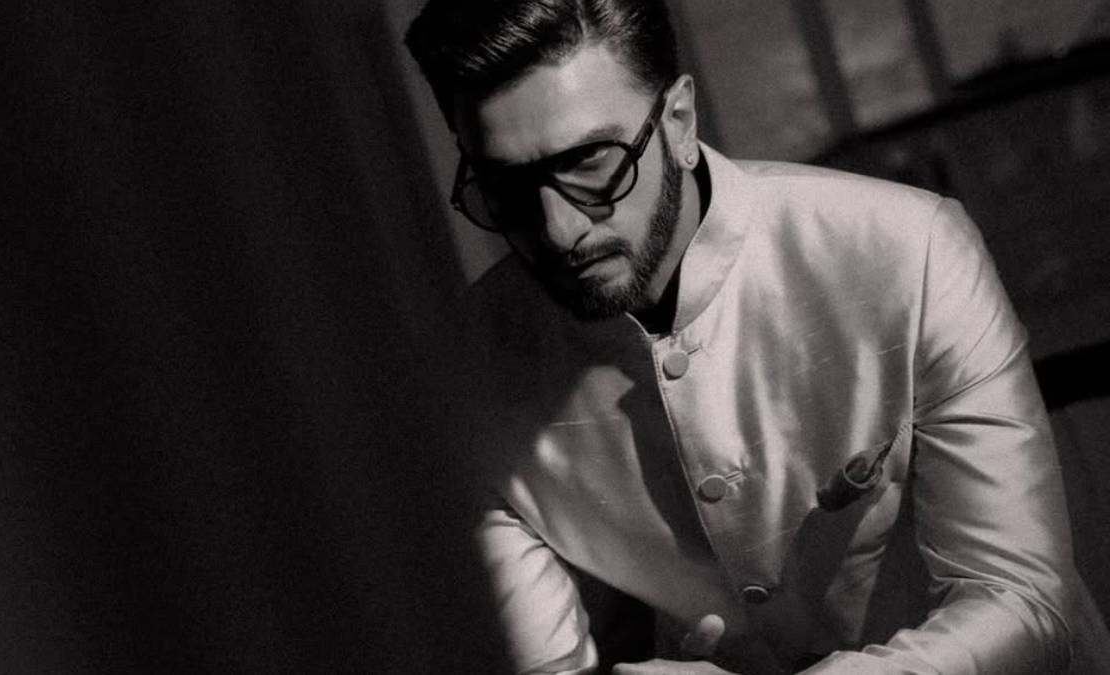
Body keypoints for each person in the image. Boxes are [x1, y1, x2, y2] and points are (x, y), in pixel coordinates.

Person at [403, 1, 1110, 672]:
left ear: (679, 121)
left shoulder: (908, 248)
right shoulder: (463, 371)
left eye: (592, 162)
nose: (558, 229)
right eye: (505, 185)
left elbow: (1022, 602)